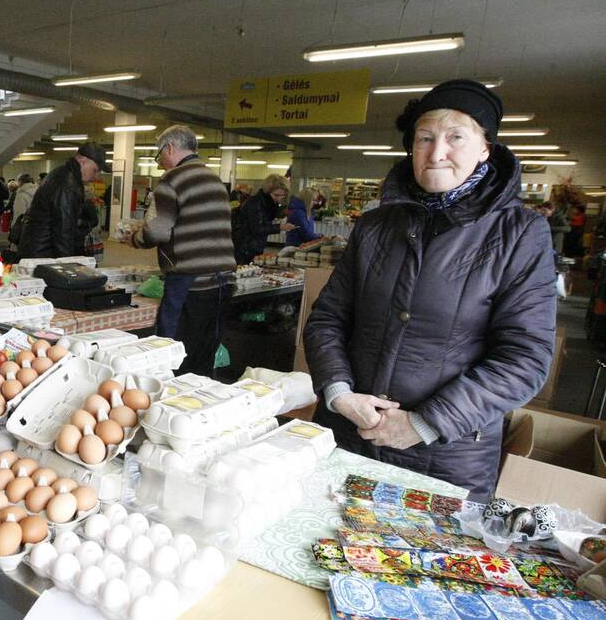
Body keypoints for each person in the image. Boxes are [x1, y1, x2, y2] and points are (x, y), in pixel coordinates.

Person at [305, 79, 556, 501]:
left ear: (485, 149)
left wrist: (425, 423)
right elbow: (328, 319)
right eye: (424, 138)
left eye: (455, 136)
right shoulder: (375, 226)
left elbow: (525, 358)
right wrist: (338, 392)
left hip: (446, 455)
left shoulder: (520, 234)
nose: (436, 152)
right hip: (347, 436)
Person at [130, 126, 236, 377]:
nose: (161, 164)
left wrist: (134, 238)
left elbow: (157, 232)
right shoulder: (214, 180)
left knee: (172, 352)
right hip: (224, 280)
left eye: (159, 156)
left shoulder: (172, 180)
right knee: (204, 352)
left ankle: (170, 404)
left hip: (190, 280)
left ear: (170, 148)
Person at [17, 142, 106, 259]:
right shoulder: (67, 184)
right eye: (95, 170)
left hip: (38, 248)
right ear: (83, 161)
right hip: (43, 254)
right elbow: (63, 231)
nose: (96, 177)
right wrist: (67, 265)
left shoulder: (63, 174)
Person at [232, 173, 296, 264]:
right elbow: (256, 228)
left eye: (282, 196)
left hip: (254, 246)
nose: (278, 199)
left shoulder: (267, 204)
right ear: (268, 191)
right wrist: (279, 227)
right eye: (276, 195)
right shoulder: (255, 203)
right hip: (244, 248)